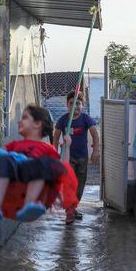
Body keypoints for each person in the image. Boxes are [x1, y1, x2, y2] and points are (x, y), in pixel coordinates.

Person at [0, 105, 76, 222]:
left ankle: (29, 204)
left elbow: (62, 167)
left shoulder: (47, 148)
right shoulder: (15, 145)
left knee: (41, 163)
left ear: (37, 124)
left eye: (24, 118)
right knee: (3, 160)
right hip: (15, 175)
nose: (19, 121)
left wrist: (67, 146)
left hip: (33, 175)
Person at [53, 91, 100, 223]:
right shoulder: (63, 120)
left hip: (82, 158)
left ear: (82, 105)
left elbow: (95, 134)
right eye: (72, 103)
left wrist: (96, 151)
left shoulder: (85, 119)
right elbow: (56, 138)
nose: (75, 106)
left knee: (80, 185)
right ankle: (69, 210)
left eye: (78, 103)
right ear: (67, 105)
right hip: (68, 158)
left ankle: (73, 208)